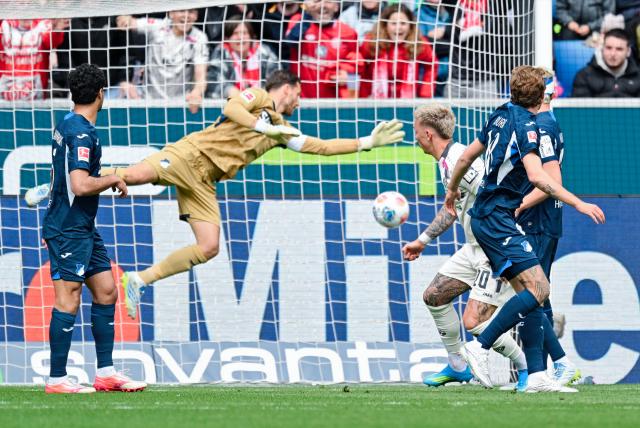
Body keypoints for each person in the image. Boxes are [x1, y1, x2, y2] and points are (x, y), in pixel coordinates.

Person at [96, 70, 403, 319]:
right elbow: (230, 107)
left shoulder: (283, 130)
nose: (299, 101)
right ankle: (73, 182)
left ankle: (140, 279)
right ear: (289, 87)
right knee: (134, 176)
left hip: (206, 180)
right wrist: (261, 126)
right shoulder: (260, 96)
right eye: (299, 94)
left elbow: (321, 147)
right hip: (191, 154)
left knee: (209, 246)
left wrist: (366, 142)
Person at [444, 65, 605, 392]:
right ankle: (481, 345)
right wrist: (579, 203)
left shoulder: (500, 114)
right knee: (538, 290)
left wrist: (451, 190)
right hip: (498, 218)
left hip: (488, 215)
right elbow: (539, 177)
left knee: (530, 292)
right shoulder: (530, 127)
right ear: (544, 95)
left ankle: (536, 376)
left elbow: (463, 160)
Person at [402, 104, 528, 390]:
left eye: (416, 131)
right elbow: (452, 209)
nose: (415, 137)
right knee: (434, 296)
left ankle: (526, 367)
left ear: (427, 133)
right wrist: (422, 241)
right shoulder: (447, 161)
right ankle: (458, 366)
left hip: (493, 248)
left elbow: (489, 190)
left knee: (473, 321)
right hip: (473, 247)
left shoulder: (460, 158)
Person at [40, 64, 146, 394]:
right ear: (101, 94)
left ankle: (106, 373)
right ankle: (57, 379)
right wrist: (113, 178)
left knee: (106, 291)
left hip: (82, 225)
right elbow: (81, 184)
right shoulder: (81, 132)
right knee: (68, 299)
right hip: (68, 228)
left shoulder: (69, 124)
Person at [513, 70, 580, 386]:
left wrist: (521, 204)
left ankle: (551, 368)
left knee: (532, 292)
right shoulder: (545, 123)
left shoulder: (542, 125)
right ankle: (551, 367)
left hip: (539, 221)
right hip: (542, 220)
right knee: (535, 292)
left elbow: (552, 182)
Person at [116, 10, 209, 112]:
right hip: (147, 101)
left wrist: (196, 93)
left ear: (196, 16)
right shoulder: (158, 26)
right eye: (181, 11)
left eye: (191, 12)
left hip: (180, 104)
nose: (186, 15)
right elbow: (129, 21)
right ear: (171, 14)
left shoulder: (199, 38)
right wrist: (125, 19)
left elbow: (201, 76)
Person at [284, 0, 360, 98]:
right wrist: (307, 14)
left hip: (332, 104)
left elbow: (358, 68)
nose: (322, 5)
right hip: (300, 101)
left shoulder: (348, 33)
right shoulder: (298, 21)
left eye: (328, 1)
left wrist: (349, 78)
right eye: (317, 1)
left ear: (336, 6)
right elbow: (290, 43)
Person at [359, 3, 437, 99]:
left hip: (407, 100)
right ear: (385, 25)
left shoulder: (418, 42)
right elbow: (360, 63)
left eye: (403, 23)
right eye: (394, 23)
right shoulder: (372, 40)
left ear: (410, 25)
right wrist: (365, 93)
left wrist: (425, 93)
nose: (398, 27)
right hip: (376, 98)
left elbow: (432, 64)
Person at [207, 17, 280, 99]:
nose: (240, 38)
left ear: (251, 36)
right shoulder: (221, 52)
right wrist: (232, 92)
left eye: (244, 33)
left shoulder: (263, 51)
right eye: (235, 33)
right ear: (227, 38)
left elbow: (277, 79)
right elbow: (213, 81)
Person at [0, 18, 68, 100]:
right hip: (6, 89)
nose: (25, 5)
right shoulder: (4, 24)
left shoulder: (44, 23)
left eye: (27, 3)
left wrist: (56, 30)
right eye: (21, 3)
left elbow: (52, 42)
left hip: (36, 90)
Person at [572, 29, 640, 97]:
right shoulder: (584, 75)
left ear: (628, 52)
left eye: (619, 49)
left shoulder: (638, 76)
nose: (613, 54)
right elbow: (580, 106)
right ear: (602, 49)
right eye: (608, 48)